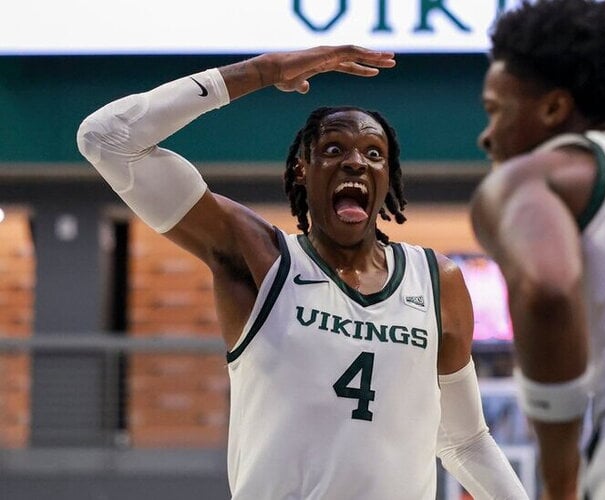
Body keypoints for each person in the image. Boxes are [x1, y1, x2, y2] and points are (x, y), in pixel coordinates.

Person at [77, 46, 527, 499]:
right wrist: (263, 71)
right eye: (333, 149)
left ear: (387, 178)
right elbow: (106, 138)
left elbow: (465, 442)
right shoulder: (262, 260)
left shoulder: (435, 281)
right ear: (301, 170)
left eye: (374, 154)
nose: (356, 162)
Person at [470, 1, 605, 499]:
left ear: (553, 108)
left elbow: (546, 290)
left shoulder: (534, 177)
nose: (486, 135)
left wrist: (560, 475)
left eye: (495, 109)